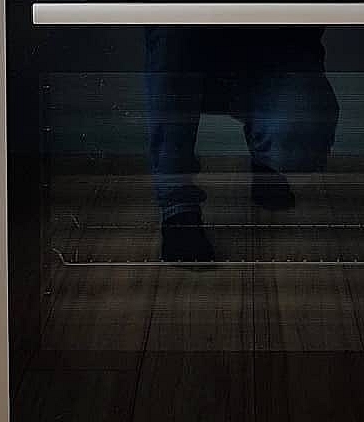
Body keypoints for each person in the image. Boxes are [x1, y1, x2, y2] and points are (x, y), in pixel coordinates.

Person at [143, 24, 340, 262]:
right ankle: (177, 207)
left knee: (301, 136)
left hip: (275, 41)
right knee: (171, 32)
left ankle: (266, 157)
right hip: (189, 44)